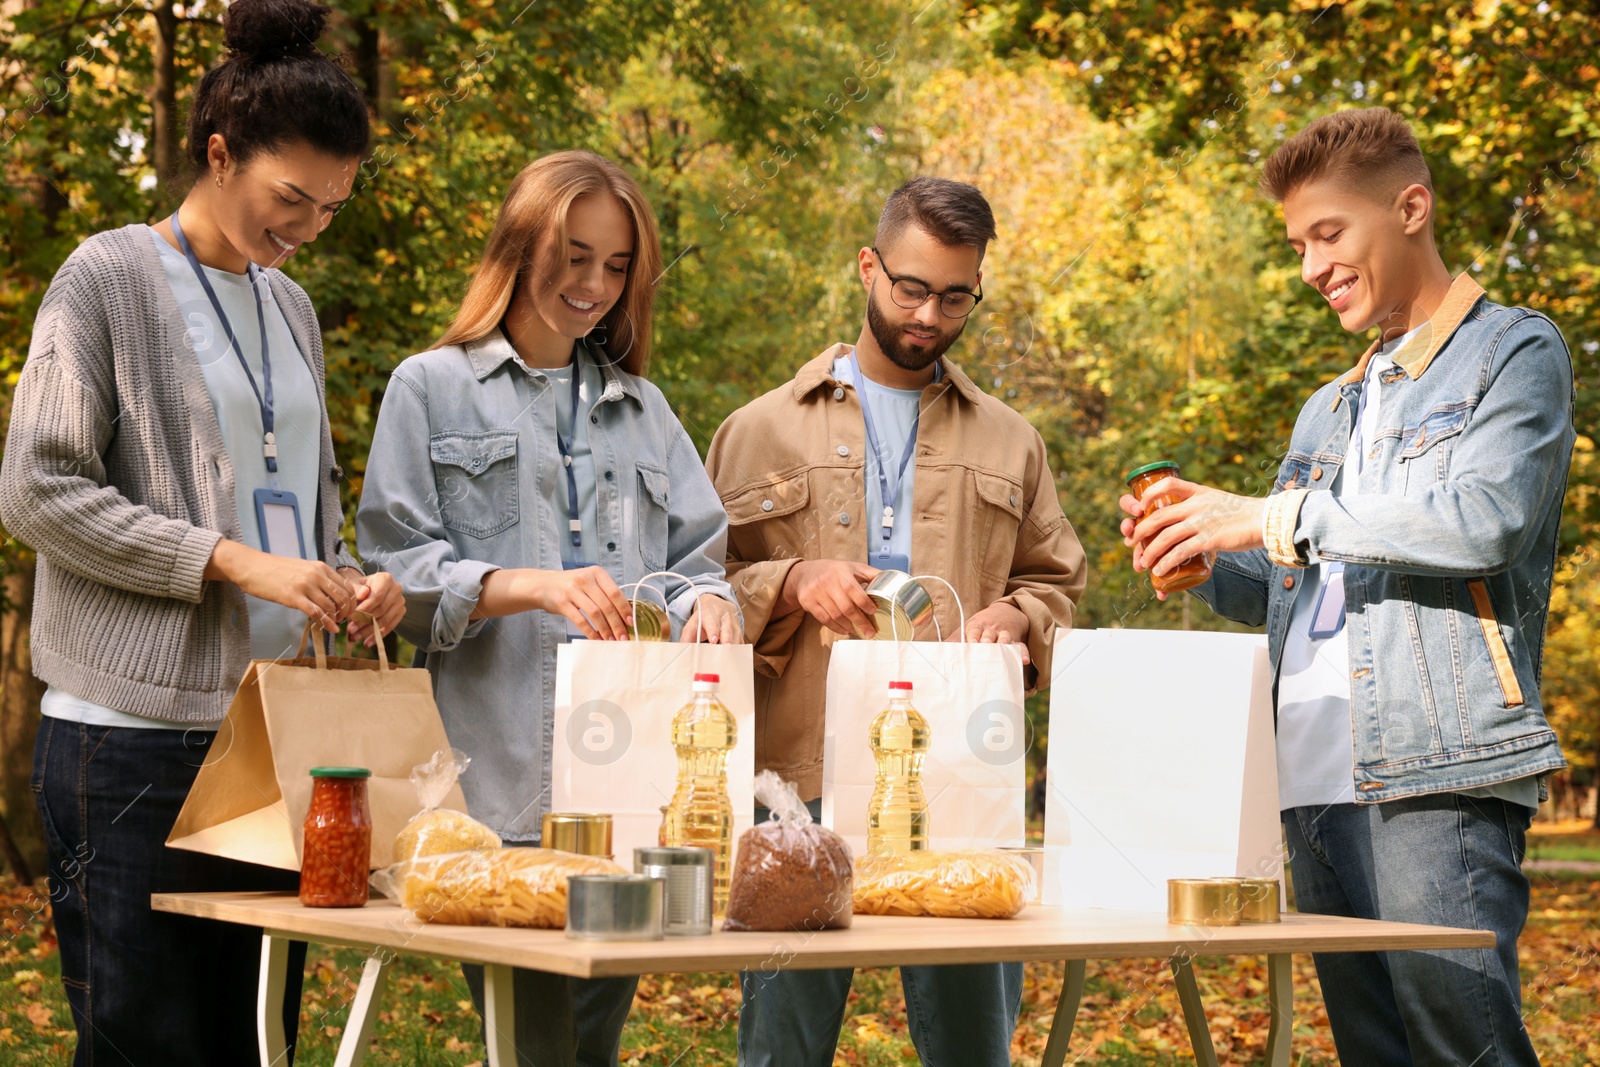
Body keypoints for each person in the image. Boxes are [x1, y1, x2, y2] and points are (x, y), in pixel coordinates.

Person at [1121, 107, 1571, 1066]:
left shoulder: (1514, 353)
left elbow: (1484, 519)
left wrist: (1266, 516)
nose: (1310, 267)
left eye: (1328, 234)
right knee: (1374, 1048)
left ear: (1411, 208)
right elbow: (1295, 591)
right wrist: (1205, 559)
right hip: (1312, 778)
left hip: (1434, 770)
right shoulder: (1328, 407)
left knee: (1465, 1045)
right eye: (1297, 244)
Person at [0, 1, 405, 1062]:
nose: (309, 227)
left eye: (331, 206)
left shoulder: (292, 308)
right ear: (219, 154)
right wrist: (225, 559)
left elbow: (301, 504)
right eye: (291, 197)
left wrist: (348, 581)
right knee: (145, 1041)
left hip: (281, 735)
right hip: (131, 741)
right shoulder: (106, 278)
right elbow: (37, 488)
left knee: (254, 1036)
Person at [356, 150, 742, 1067]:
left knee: (588, 1044)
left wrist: (711, 601)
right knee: (531, 1045)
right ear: (522, 244)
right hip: (494, 791)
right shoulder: (429, 386)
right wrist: (531, 584)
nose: (594, 286)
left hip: (630, 798)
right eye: (574, 256)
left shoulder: (646, 411)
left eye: (615, 267)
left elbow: (697, 561)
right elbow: (394, 576)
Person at [707, 176, 1087, 1067]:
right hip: (791, 784)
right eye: (911, 288)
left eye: (956, 295)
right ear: (869, 267)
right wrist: (792, 580)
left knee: (973, 1048)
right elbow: (702, 588)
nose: (929, 314)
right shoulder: (755, 431)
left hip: (960, 776)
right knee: (781, 1050)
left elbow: (1056, 584)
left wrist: (1017, 616)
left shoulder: (1012, 441)